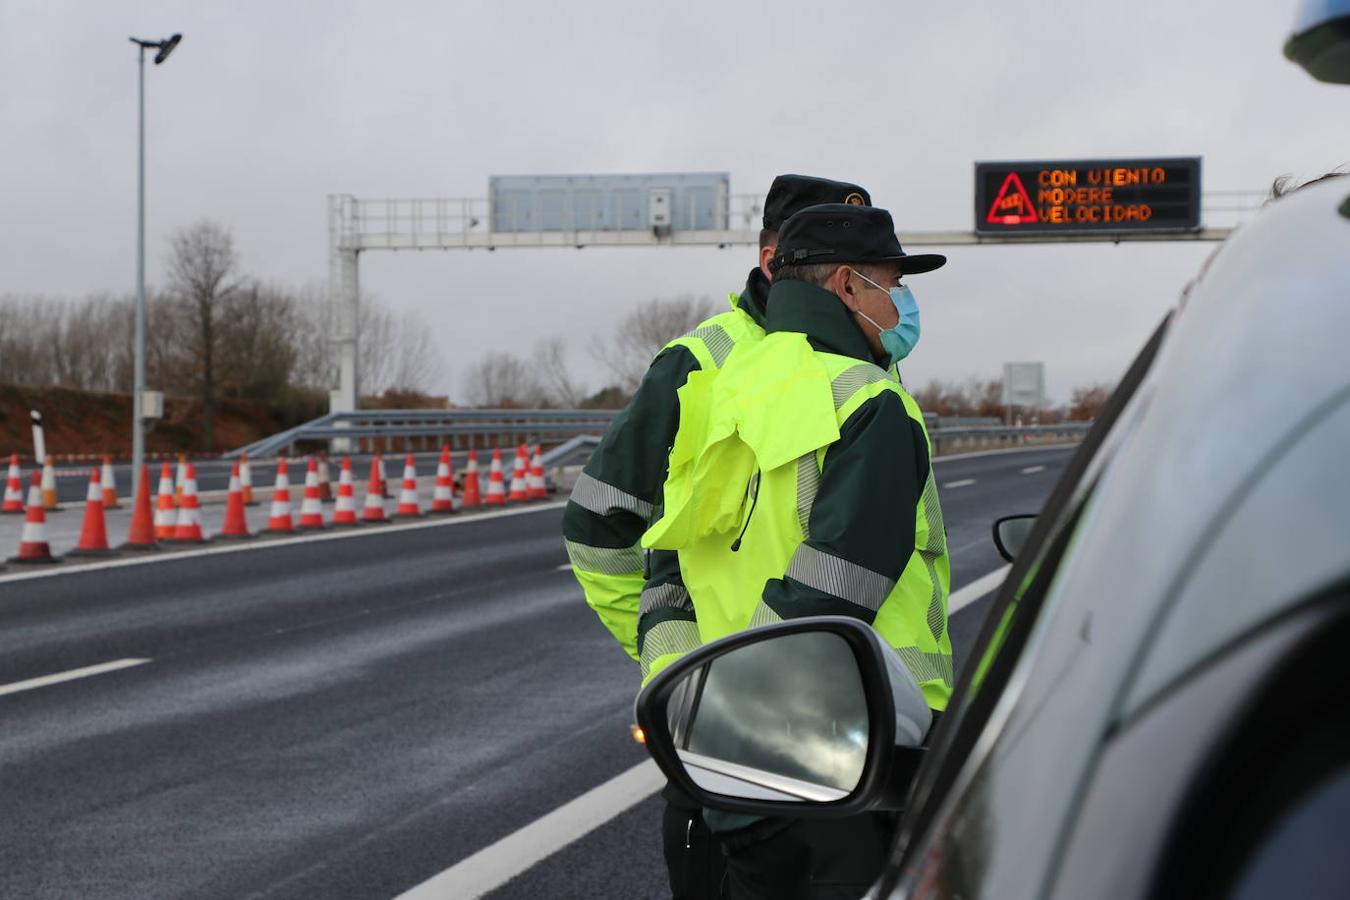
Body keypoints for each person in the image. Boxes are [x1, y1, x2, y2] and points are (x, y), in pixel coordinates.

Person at [562, 175, 872, 900]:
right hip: (732, 745)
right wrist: (676, 666)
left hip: (843, 739)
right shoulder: (702, 362)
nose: (865, 288)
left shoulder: (857, 362)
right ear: (776, 263)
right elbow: (597, 525)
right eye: (845, 272)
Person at [641, 203, 952, 898]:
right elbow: (838, 585)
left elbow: (666, 574)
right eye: (891, 282)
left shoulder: (722, 390)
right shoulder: (870, 400)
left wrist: (697, 720)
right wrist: (747, 719)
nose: (901, 301)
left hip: (722, 770)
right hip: (842, 762)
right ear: (847, 287)